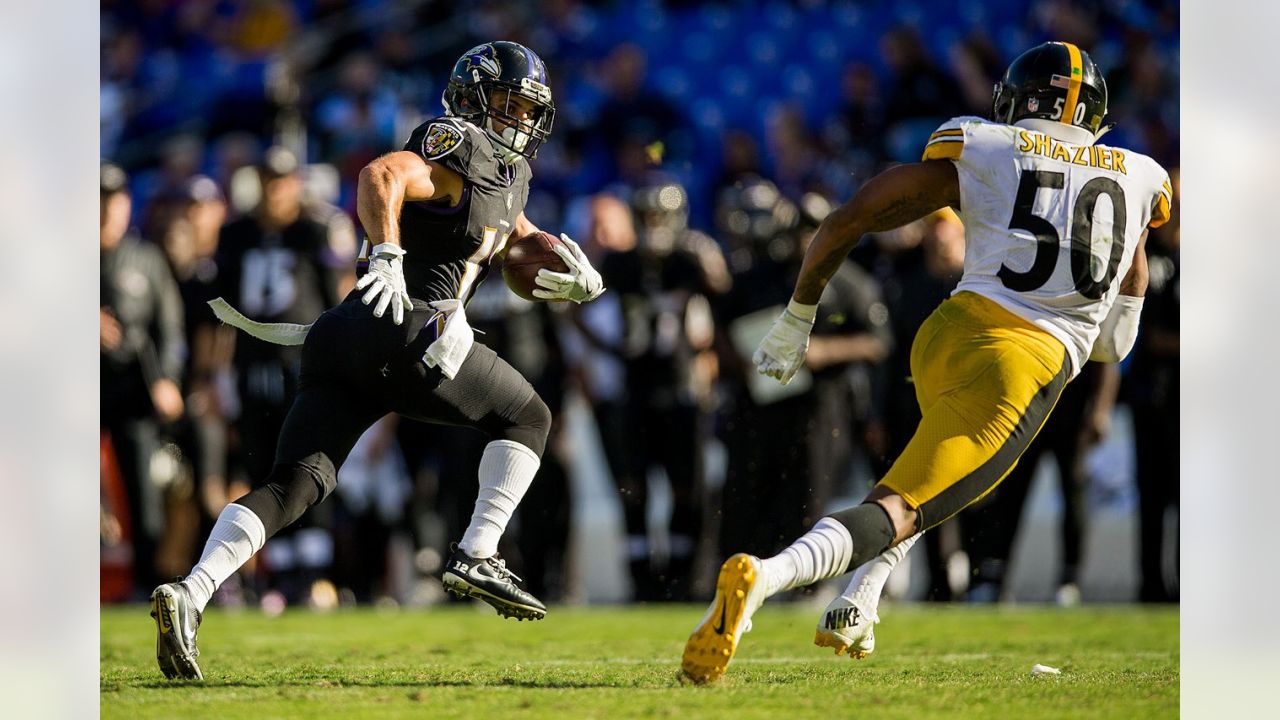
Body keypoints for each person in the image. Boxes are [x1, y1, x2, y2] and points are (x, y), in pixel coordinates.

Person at [682, 41, 1173, 683]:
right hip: (1022, 365)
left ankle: (859, 597)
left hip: (946, 332)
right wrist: (1123, 325)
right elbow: (1133, 262)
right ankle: (767, 578)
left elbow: (853, 217)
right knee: (906, 504)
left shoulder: (988, 144)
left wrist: (798, 316)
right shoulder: (1140, 174)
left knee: (928, 474)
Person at [150, 41, 604, 681]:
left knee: (295, 484)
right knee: (528, 417)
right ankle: (478, 552)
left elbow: (511, 236)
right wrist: (387, 252)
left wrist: (567, 269)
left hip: (346, 337)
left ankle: (191, 593)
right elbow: (380, 175)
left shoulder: (510, 174)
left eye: (528, 109)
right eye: (506, 103)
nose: (519, 121)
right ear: (473, 97)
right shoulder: (457, 142)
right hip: (410, 323)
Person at [100, 162, 187, 597]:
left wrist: (167, 379)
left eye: (112, 202)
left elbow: (169, 327)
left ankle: (147, 584)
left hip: (133, 386)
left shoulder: (145, 258)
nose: (104, 212)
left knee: (143, 488)